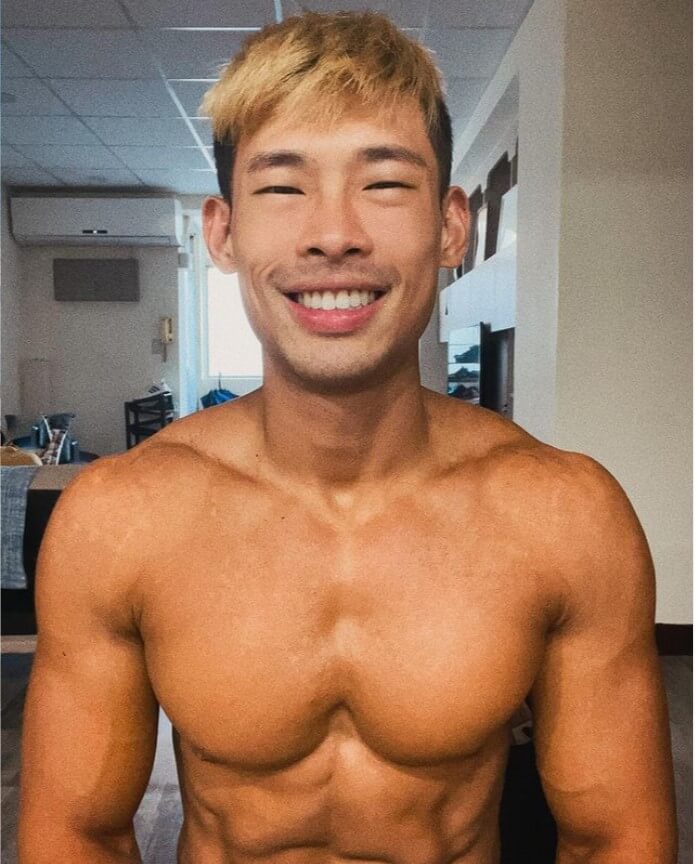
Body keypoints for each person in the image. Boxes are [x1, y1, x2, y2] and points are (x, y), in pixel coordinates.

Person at [19, 11, 677, 863]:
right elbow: (76, 834)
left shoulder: (567, 519)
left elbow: (617, 839)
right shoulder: (119, 520)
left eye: (386, 183)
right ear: (223, 230)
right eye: (283, 188)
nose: (333, 234)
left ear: (450, 225)